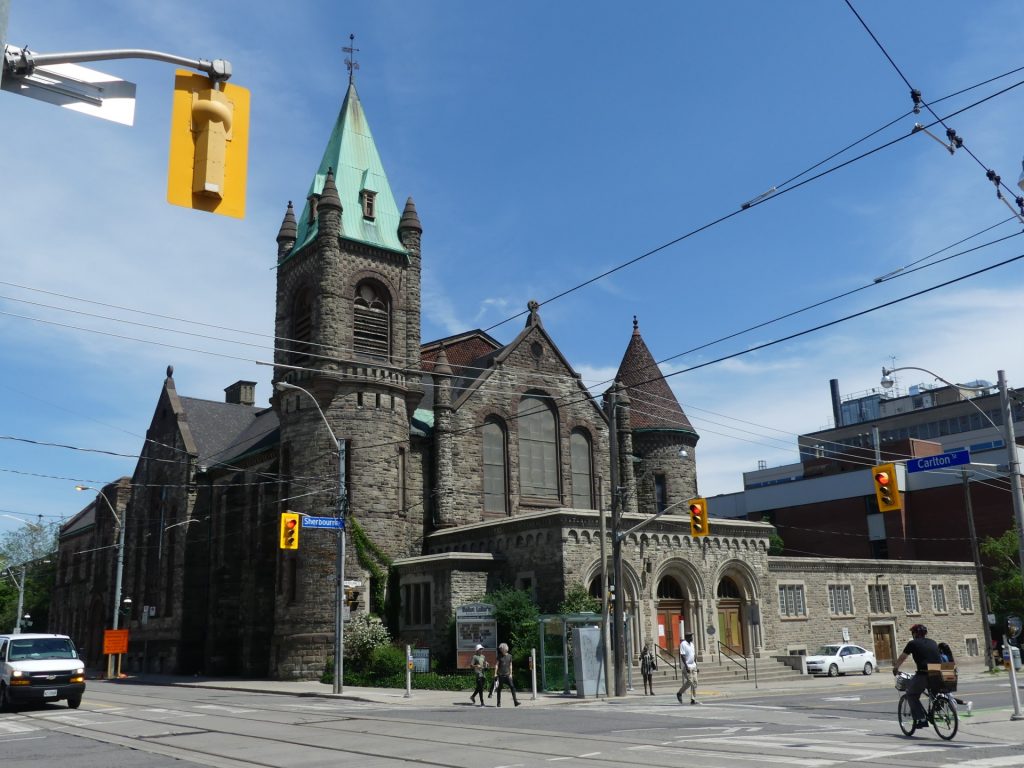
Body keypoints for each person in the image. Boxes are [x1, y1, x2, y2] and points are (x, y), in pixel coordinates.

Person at [892, 624, 942, 729]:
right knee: (933, 693)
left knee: (911, 694)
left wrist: (896, 668)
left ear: (914, 634)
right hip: (939, 673)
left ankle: (922, 719)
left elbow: (902, 657)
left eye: (912, 633)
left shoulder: (912, 643)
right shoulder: (933, 642)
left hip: (924, 673)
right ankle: (938, 703)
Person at [492, 642, 521, 707]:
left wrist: (511, 674)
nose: (500, 650)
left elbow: (511, 665)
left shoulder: (510, 656)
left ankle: (515, 702)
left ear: (505, 649)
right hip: (501, 675)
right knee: (499, 689)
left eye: (501, 649)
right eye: (500, 649)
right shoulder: (499, 656)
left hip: (507, 675)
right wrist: (495, 673)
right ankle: (498, 703)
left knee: (512, 687)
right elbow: (496, 665)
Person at [676, 632, 699, 705]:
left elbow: (693, 655)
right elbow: (682, 655)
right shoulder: (683, 644)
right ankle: (679, 693)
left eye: (692, 636)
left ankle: (693, 699)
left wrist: (696, 666)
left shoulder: (692, 644)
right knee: (690, 681)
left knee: (695, 682)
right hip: (687, 666)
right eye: (690, 636)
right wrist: (686, 666)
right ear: (687, 637)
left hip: (693, 666)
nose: (692, 637)